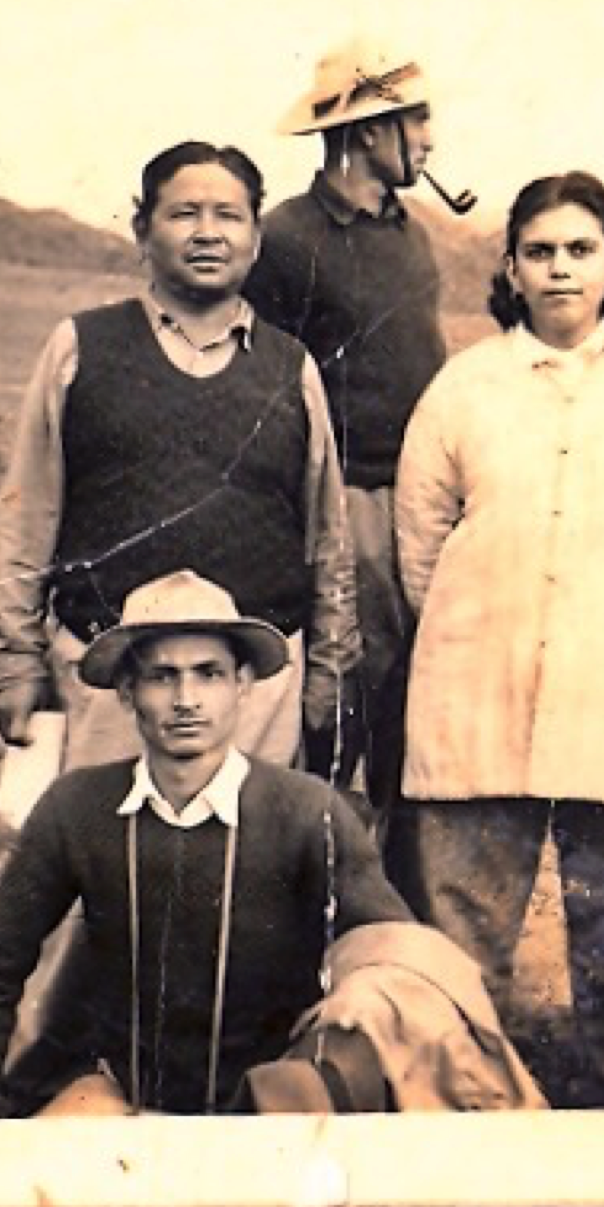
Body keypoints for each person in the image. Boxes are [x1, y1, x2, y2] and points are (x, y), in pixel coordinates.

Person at [393, 171, 604, 1108]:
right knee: (462, 932)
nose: (559, 270)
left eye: (580, 250)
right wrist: (482, 630)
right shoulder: (467, 385)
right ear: (510, 266)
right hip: (479, 691)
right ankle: (460, 1107)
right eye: (539, 251)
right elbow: (421, 541)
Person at [0, 572, 410, 1117]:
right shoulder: (77, 808)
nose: (186, 700)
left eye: (208, 674)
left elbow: (396, 967)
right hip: (118, 1100)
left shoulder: (309, 812)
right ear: (127, 692)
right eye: (162, 677)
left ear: (243, 684)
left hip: (271, 1110)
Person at [0, 140, 358, 774]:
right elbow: (27, 515)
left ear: (256, 237)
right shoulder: (80, 348)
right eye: (184, 213)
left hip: (256, 689)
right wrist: (16, 661)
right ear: (142, 229)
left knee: (246, 865)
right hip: (108, 681)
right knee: (111, 864)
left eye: (228, 215)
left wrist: (328, 671)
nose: (207, 233)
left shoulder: (292, 367)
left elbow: (329, 539)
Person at [243, 42, 445, 814]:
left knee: (415, 720)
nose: (429, 139)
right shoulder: (286, 240)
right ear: (367, 130)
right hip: (342, 507)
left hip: (423, 506)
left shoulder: (414, 234)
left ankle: (395, 922)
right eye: (417, 119)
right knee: (340, 710)